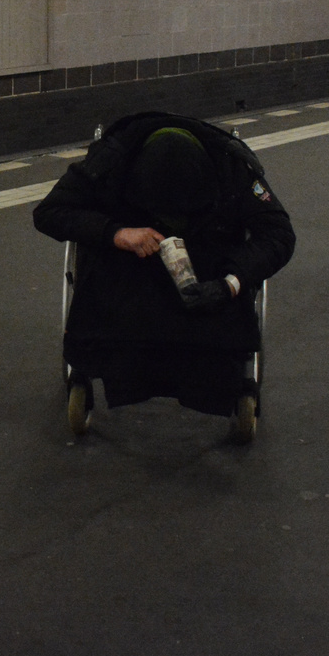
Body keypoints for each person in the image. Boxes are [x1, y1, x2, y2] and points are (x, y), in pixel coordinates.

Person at [32, 111, 295, 442]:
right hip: (130, 261)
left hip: (209, 271)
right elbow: (49, 212)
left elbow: (279, 234)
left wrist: (231, 283)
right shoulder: (111, 161)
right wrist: (117, 233)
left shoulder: (234, 169)